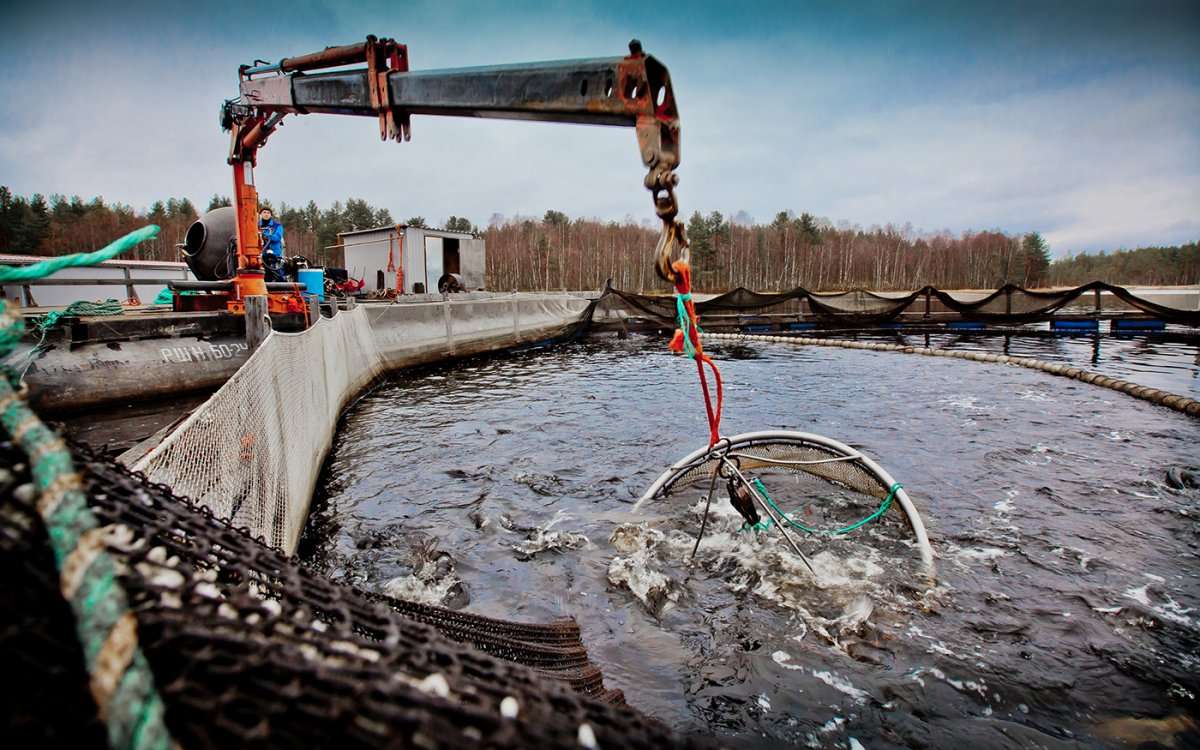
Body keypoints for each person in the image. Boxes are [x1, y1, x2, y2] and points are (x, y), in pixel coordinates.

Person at [258, 208, 285, 282]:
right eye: (264, 212)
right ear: (261, 214)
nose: (266, 214)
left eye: (268, 213)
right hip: (260, 256)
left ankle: (282, 289)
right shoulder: (256, 226)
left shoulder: (277, 226)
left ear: (271, 215)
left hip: (275, 255)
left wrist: (266, 236)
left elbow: (277, 237)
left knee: (279, 275)